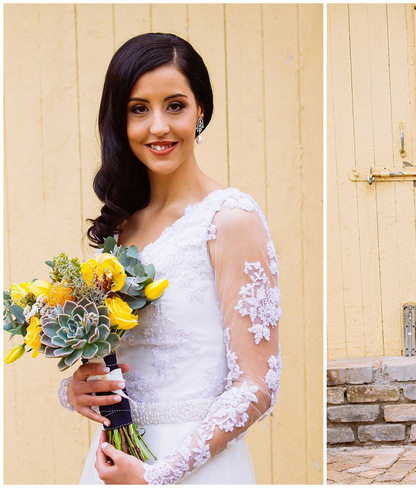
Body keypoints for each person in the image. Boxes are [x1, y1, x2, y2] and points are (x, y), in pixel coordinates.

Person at [57, 32, 281, 484]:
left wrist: (158, 476)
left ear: (201, 111)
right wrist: (76, 389)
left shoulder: (230, 218)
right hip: (116, 461)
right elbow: (120, 362)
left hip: (194, 465)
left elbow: (258, 386)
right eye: (139, 109)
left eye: (174, 105)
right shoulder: (121, 228)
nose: (158, 126)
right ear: (121, 121)